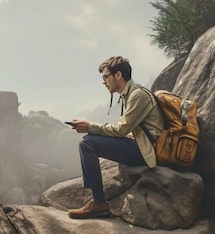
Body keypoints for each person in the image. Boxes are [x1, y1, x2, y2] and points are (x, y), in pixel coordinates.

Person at [67, 56, 164, 219]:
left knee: (87, 143)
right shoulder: (130, 94)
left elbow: (121, 130)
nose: (103, 82)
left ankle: (99, 204)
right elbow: (125, 130)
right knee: (89, 140)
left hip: (144, 150)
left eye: (105, 77)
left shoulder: (137, 95)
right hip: (138, 145)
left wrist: (90, 126)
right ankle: (97, 201)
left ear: (118, 75)